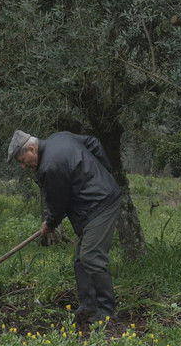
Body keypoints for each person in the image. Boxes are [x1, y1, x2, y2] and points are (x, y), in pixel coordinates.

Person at [7, 129, 122, 324]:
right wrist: (104, 173)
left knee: (91, 257)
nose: (23, 166)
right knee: (80, 260)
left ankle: (106, 311)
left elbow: (58, 204)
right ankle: (88, 306)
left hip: (102, 205)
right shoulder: (60, 138)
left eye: (22, 160)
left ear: (32, 149)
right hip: (93, 204)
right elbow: (93, 142)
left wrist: (50, 224)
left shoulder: (50, 166)